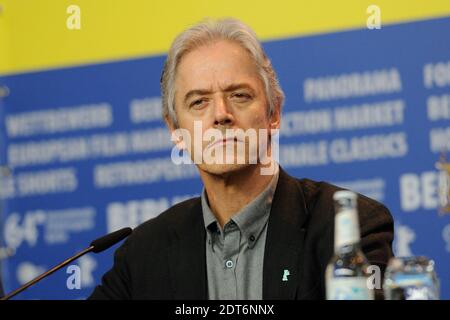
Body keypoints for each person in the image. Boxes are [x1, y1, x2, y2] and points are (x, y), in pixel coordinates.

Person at [89, 18, 394, 300]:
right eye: (199, 102)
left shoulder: (348, 228)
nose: (221, 114)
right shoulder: (143, 254)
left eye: (239, 95)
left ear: (273, 113)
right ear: (176, 130)